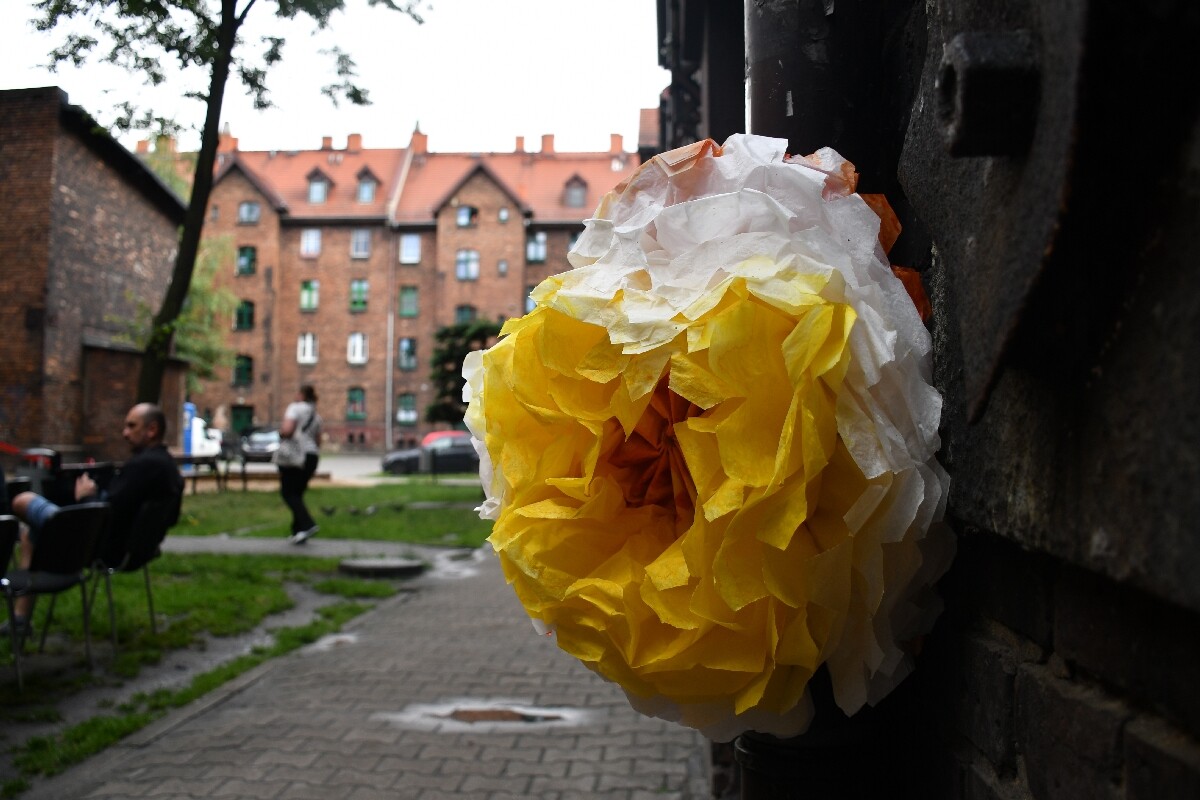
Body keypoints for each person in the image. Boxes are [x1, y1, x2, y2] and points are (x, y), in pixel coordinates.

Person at [3, 403, 184, 639]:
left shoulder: (143, 465)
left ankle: (22, 616)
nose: (125, 433)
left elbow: (105, 514)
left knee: (22, 500)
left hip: (96, 546)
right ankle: (20, 619)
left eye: (132, 426)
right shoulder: (168, 468)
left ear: (152, 430)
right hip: (138, 551)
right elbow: (170, 518)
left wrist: (86, 495)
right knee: (30, 535)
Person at [279, 385, 322, 545]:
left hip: (295, 456)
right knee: (297, 493)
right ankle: (299, 531)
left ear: (302, 395)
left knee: (287, 493)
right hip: (311, 456)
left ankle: (308, 524)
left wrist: (280, 433)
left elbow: (288, 430)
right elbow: (318, 441)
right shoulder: (316, 415)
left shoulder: (294, 408)